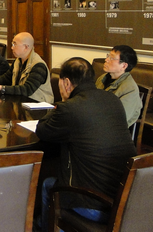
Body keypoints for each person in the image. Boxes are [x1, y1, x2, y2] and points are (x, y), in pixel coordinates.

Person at [35, 58, 137, 231]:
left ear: (66, 83)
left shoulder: (70, 107)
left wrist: (61, 103)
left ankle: (46, 227)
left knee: (48, 184)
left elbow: (42, 130)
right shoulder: (112, 100)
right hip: (124, 199)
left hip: (95, 205)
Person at [0, 32, 53, 103]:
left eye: (14, 44)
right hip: (21, 102)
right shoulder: (17, 61)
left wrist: (1, 89)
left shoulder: (38, 65)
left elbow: (27, 90)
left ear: (26, 47)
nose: (12, 47)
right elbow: (7, 78)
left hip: (38, 106)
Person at [95, 45, 142, 127]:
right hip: (95, 122)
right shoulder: (102, 78)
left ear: (124, 66)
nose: (106, 60)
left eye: (111, 58)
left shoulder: (130, 89)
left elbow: (118, 119)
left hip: (110, 129)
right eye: (108, 56)